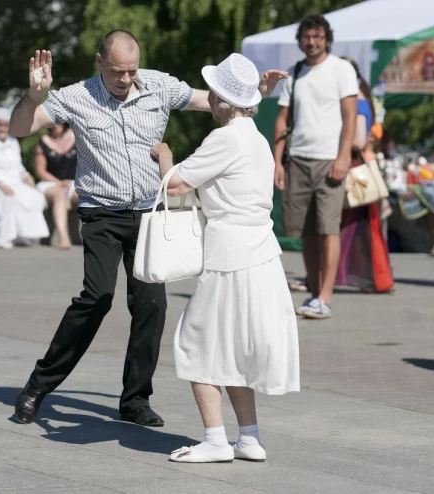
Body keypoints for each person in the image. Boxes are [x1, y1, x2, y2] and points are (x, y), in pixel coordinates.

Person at [8, 30, 286, 427]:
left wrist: (252, 90)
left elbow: (215, 102)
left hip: (149, 213)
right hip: (101, 213)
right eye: (117, 71)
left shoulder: (158, 85)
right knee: (97, 297)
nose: (125, 79)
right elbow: (20, 128)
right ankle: (37, 386)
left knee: (152, 304)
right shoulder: (76, 96)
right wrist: (34, 96)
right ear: (99, 62)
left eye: (131, 71)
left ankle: (135, 399)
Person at [150, 53, 299, 464]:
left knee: (196, 343)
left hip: (230, 255)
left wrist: (163, 154)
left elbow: (176, 184)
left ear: (222, 100)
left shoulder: (225, 138)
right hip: (261, 254)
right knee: (232, 349)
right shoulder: (257, 139)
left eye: (213, 95)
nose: (210, 102)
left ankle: (216, 440)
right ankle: (248, 437)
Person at [274, 14, 358, 319]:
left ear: (327, 39)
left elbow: (350, 116)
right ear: (300, 40)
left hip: (329, 161)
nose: (312, 42)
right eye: (307, 37)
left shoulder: (341, 69)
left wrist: (343, 156)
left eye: (317, 37)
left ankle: (326, 296)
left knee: (327, 228)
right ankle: (313, 294)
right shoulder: (295, 72)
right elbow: (282, 119)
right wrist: (278, 161)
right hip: (297, 159)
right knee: (306, 232)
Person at [335, 57, 394, 293]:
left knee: (352, 225)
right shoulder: (360, 97)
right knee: (355, 225)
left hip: (351, 164)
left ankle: (342, 275)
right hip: (353, 162)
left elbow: (358, 139)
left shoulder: (357, 100)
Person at [0, 107, 49, 249]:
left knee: (35, 196)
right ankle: (3, 237)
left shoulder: (12, 141)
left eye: (5, 125)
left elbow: (18, 166)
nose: (2, 128)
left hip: (14, 182)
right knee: (9, 198)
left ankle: (23, 235)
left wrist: (26, 176)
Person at [34, 123, 78, 250]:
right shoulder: (43, 142)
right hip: (50, 183)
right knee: (60, 194)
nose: (55, 124)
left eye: (58, 120)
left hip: (74, 182)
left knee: (85, 196)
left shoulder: (77, 136)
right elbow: (40, 171)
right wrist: (59, 182)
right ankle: (64, 238)